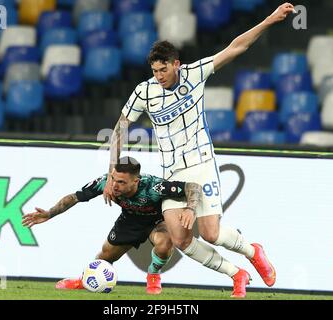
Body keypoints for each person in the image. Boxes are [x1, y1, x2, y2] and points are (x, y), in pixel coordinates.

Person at [103, 3, 296, 298]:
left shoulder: (195, 74)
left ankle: (252, 250)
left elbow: (236, 47)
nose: (159, 76)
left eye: (163, 69)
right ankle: (237, 274)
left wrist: (270, 20)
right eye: (154, 71)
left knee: (210, 233)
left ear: (176, 64)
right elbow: (120, 128)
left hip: (200, 161)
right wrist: (111, 172)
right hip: (171, 173)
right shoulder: (145, 91)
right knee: (180, 238)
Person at [22, 156, 202, 295]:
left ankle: (153, 274)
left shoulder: (154, 187)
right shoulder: (106, 183)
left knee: (165, 243)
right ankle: (84, 280)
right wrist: (50, 213)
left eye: (121, 182)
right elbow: (75, 197)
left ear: (136, 181)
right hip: (129, 221)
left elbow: (193, 187)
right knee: (105, 256)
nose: (114, 185)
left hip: (156, 221)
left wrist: (191, 209)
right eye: (113, 179)